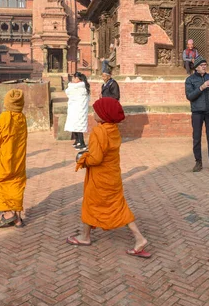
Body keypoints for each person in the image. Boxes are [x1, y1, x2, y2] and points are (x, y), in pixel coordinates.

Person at [66, 97, 151, 258]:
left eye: (96, 111)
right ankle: (138, 238)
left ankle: (85, 237)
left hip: (100, 177)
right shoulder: (113, 129)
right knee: (117, 205)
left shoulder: (99, 131)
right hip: (112, 176)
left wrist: (83, 159)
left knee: (92, 203)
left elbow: (96, 158)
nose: (93, 113)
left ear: (104, 115)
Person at [0, 89, 27, 228]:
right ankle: (18, 219)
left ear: (7, 102)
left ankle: (8, 213)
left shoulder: (1, 120)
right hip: (18, 160)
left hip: (4, 161)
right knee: (16, 186)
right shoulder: (22, 118)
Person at [185, 55, 209, 174]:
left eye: (205, 65)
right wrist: (201, 87)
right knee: (196, 138)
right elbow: (190, 96)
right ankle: (198, 162)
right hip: (197, 112)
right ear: (196, 67)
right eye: (202, 65)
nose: (204, 67)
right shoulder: (190, 80)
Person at [65, 72, 90, 150]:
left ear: (79, 79)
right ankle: (77, 140)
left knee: (79, 125)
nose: (73, 79)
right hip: (74, 108)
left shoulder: (80, 87)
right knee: (74, 124)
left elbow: (69, 92)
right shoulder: (76, 86)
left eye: (75, 78)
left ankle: (82, 143)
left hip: (79, 109)